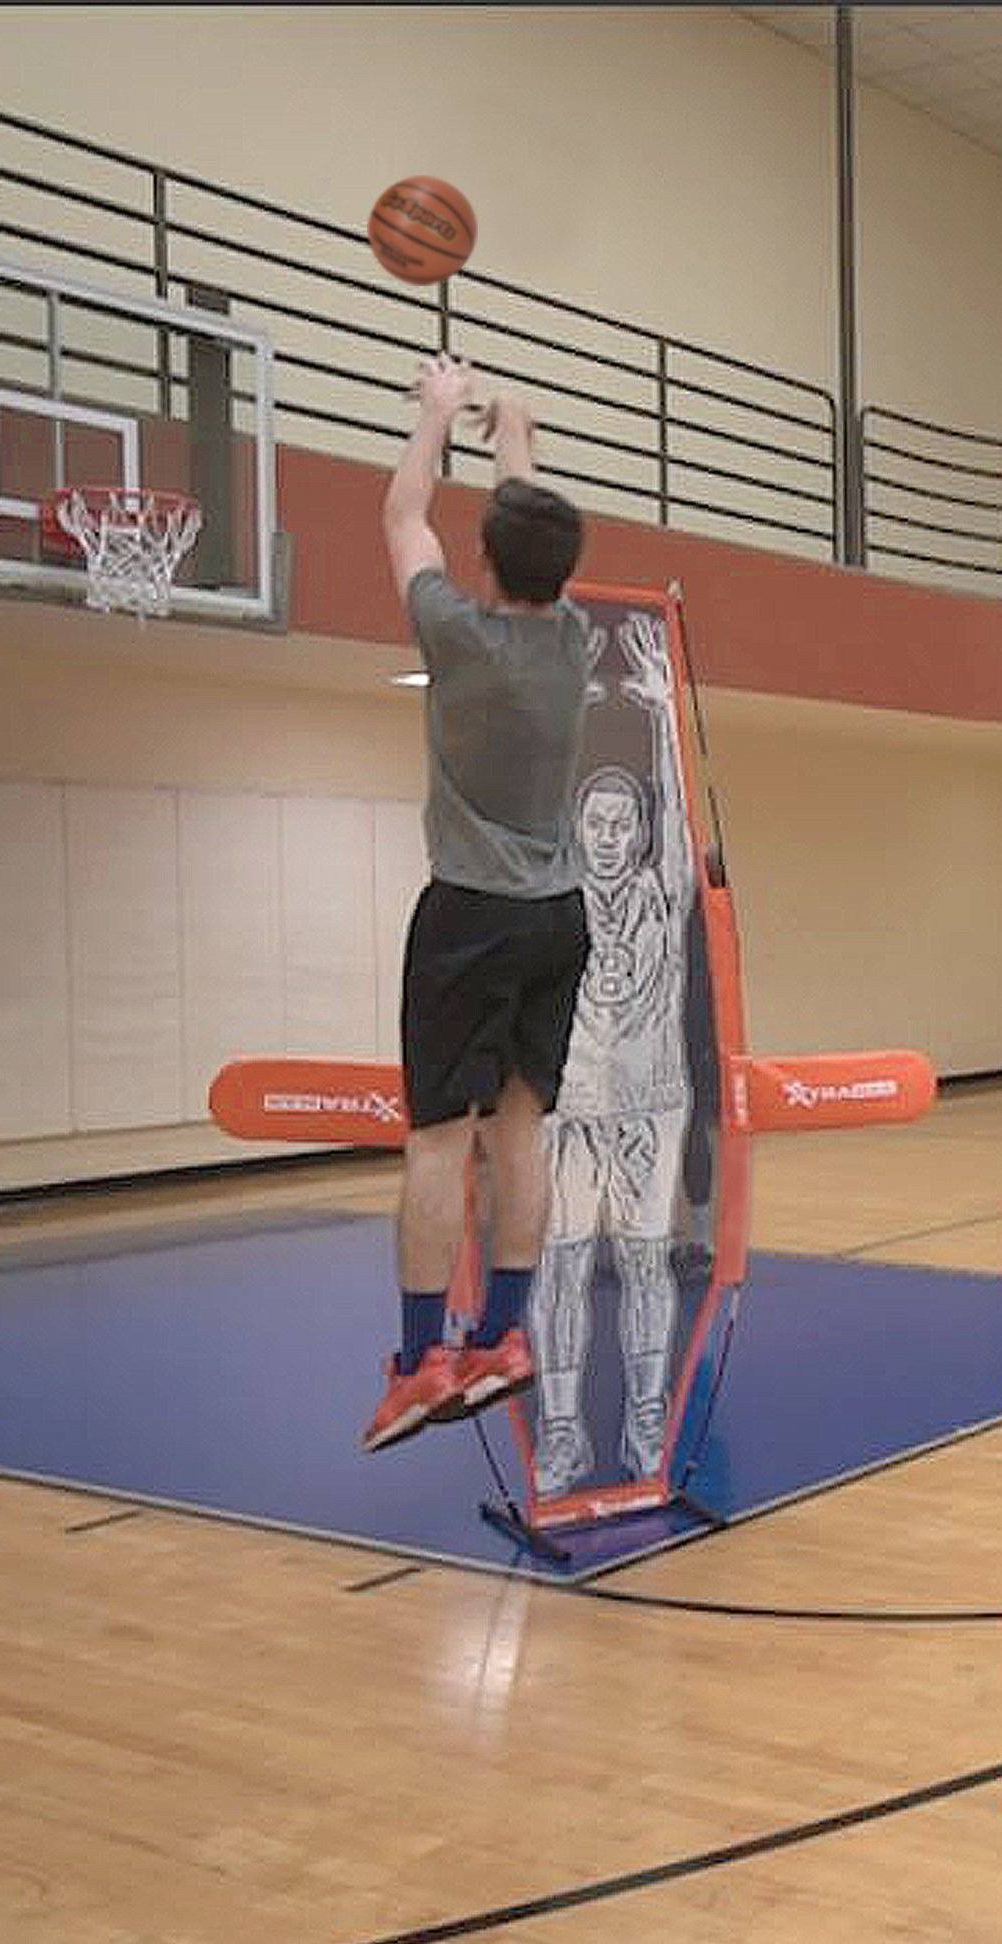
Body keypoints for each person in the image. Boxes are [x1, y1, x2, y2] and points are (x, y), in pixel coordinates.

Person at [364, 354, 594, 1452]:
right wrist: (517, 440)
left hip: (468, 913)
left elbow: (405, 513)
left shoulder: (456, 636)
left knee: (435, 1145)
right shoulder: (574, 639)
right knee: (521, 1132)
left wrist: (434, 416)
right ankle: (504, 1337)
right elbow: (532, 537)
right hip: (560, 920)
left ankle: (418, 1364)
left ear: (488, 561)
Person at [528, 611, 698, 1495]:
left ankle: (641, 1410)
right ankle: (559, 1427)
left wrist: (666, 715)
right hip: (571, 1106)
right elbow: (540, 811)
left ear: (636, 831)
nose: (603, 833)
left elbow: (681, 819)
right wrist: (561, 705)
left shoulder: (660, 894)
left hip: (647, 1099)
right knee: (559, 1261)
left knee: (642, 1261)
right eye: (591, 819)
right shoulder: (556, 891)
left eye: (618, 820)